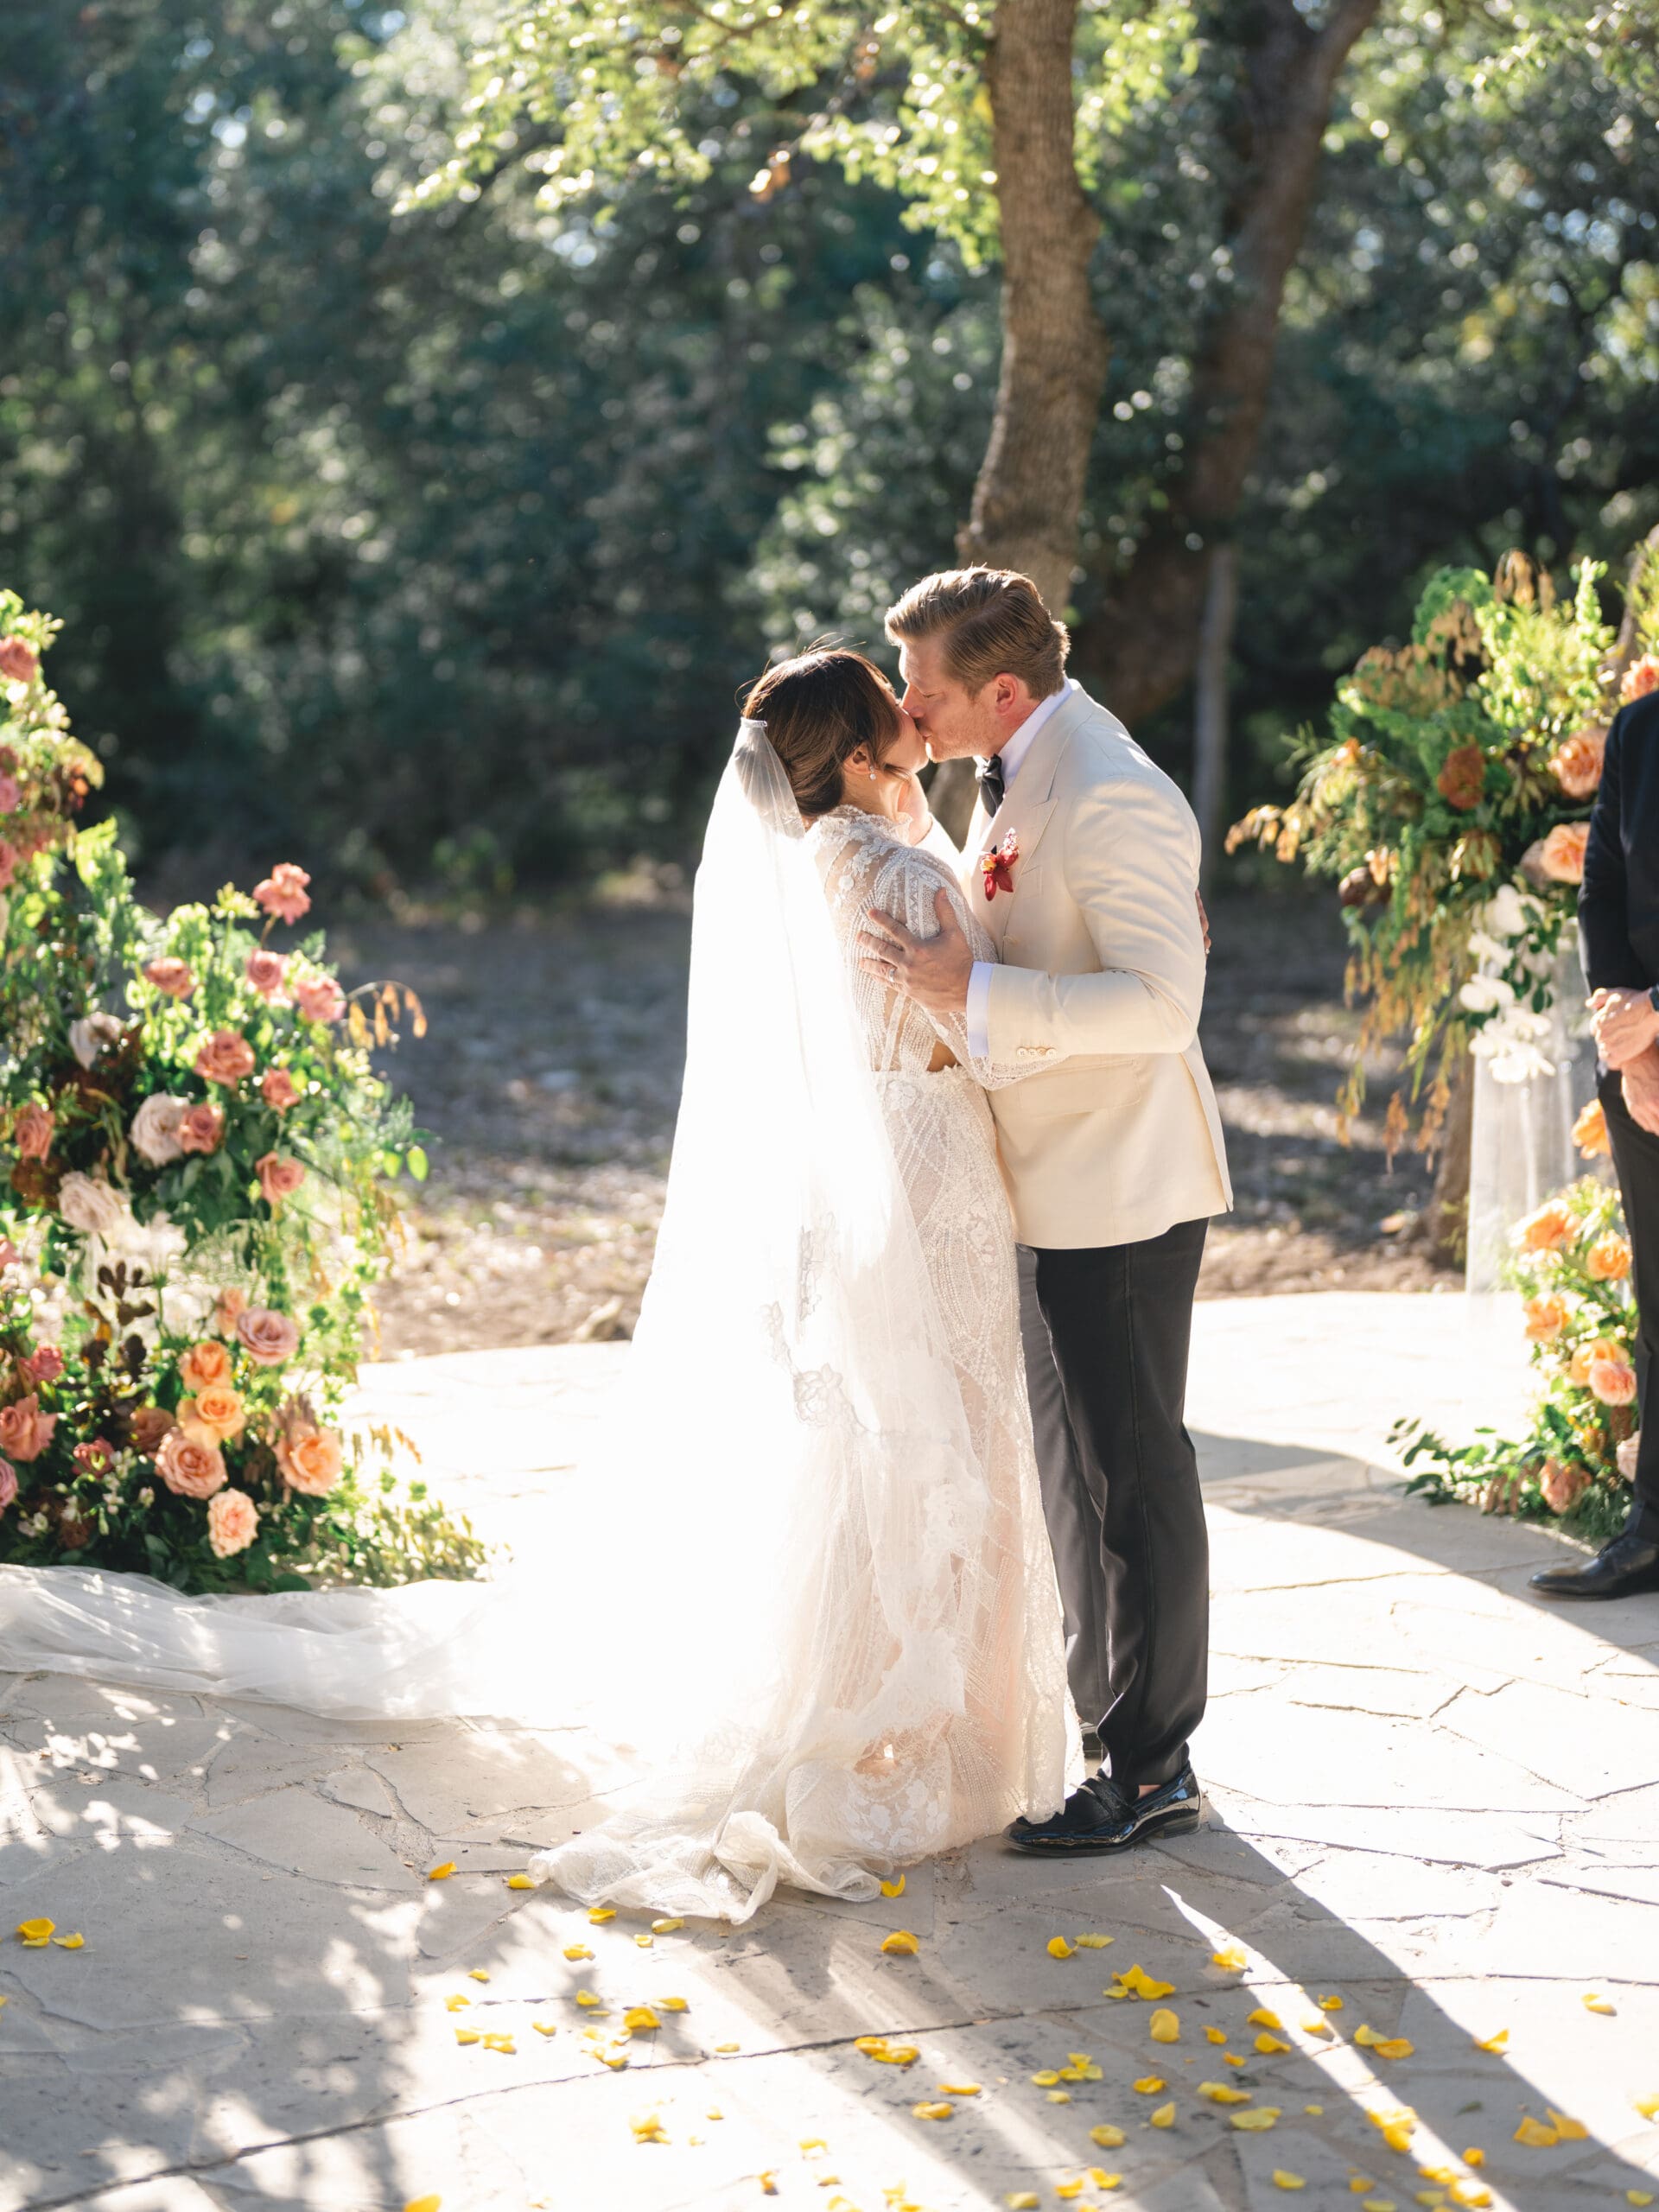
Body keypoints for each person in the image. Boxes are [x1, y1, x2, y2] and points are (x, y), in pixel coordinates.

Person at [860, 567, 1232, 1856]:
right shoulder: (1022, 764)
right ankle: (1104, 1733)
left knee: (1137, 1476)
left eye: (926, 685)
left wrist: (975, 995)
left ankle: (1155, 1767)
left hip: (1120, 1186)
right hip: (1044, 1180)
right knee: (1075, 1476)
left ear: (1001, 691)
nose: (908, 704)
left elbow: (1162, 1007)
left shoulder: (1116, 790)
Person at [1532, 683, 1659, 1601]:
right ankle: (1655, 1525)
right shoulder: (1640, 728)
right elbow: (1600, 889)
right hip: (1642, 1072)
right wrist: (1629, 1035)